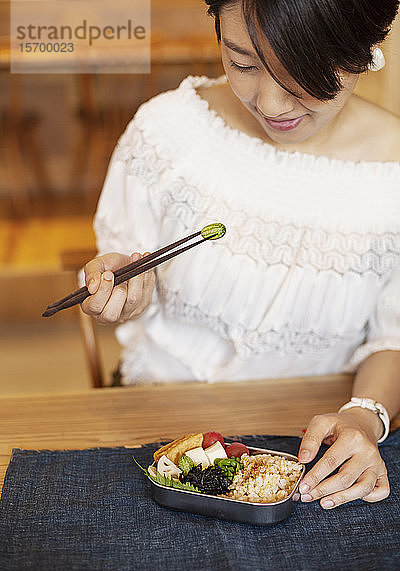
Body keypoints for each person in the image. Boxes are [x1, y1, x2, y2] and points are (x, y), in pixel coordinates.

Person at [82, 0, 400, 510]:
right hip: (158, 421)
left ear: (365, 50)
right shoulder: (167, 131)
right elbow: (125, 276)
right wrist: (126, 292)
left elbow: (395, 335)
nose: (271, 103)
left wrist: (363, 417)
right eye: (244, 64)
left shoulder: (394, 173)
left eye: (305, 73)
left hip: (309, 448)